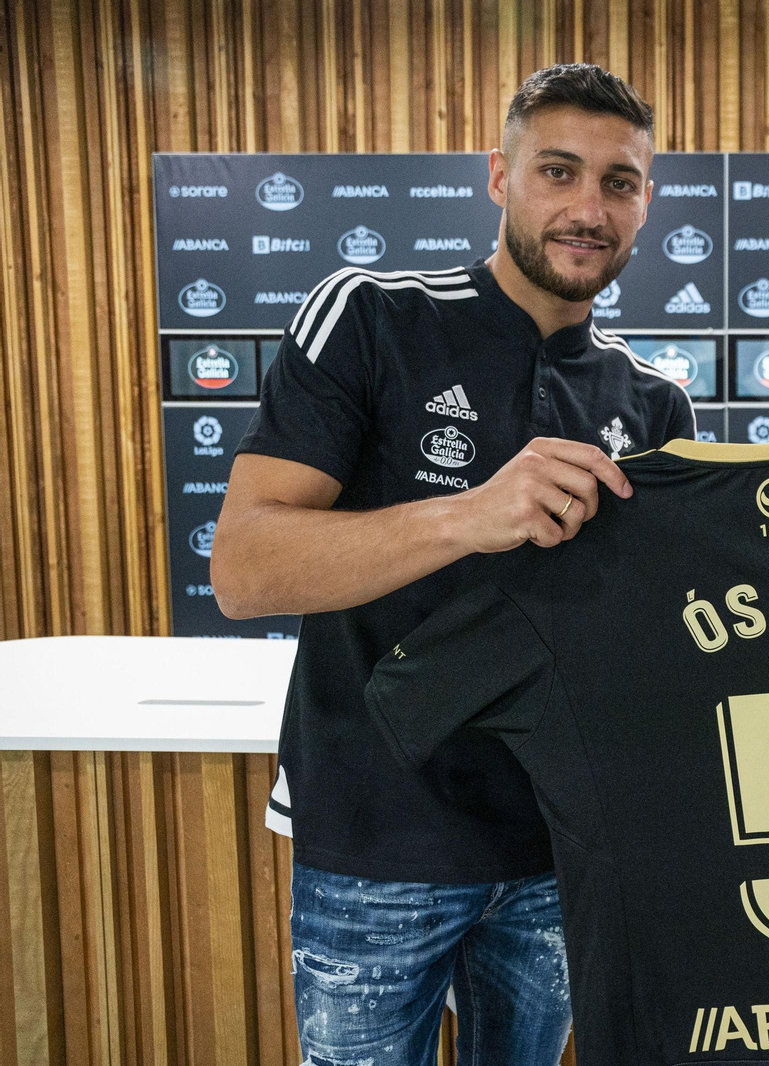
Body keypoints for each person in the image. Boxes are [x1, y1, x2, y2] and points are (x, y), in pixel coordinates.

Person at [210, 64, 694, 1066]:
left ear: (646, 201)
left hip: (558, 856)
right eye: (557, 171)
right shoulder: (375, 317)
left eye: (619, 182)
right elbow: (245, 567)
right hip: (376, 843)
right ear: (498, 177)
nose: (588, 207)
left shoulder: (653, 402)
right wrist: (469, 516)